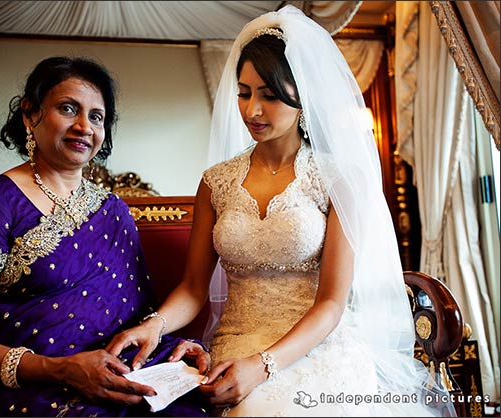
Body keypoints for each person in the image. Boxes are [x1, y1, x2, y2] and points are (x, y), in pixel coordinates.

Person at [107, 6, 456, 417]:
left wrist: (264, 365)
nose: (253, 110)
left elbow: (330, 303)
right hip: (235, 344)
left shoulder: (338, 178)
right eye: (244, 92)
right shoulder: (215, 181)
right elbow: (193, 286)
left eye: (269, 96)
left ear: (302, 97)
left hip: (317, 348)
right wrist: (156, 324)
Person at [0, 56, 210, 417]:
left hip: (121, 373)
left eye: (97, 117)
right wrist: (61, 369)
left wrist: (169, 348)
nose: (84, 126)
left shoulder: (113, 211)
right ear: (30, 115)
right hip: (32, 386)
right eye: (68, 109)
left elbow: (135, 320)